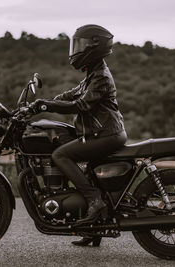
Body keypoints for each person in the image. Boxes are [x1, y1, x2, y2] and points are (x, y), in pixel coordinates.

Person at [30, 24, 126, 247]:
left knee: (60, 155)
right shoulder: (93, 73)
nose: (76, 50)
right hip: (101, 132)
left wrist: (46, 106)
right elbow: (71, 94)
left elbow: (80, 104)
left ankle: (95, 201)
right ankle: (94, 229)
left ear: (95, 46)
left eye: (81, 45)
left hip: (106, 135)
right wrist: (43, 103)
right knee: (84, 166)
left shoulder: (100, 76)